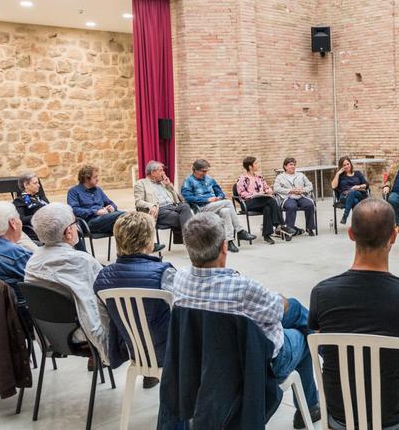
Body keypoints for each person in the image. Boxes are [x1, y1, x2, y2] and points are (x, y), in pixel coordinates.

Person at [163, 213, 321, 429]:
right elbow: (276, 311)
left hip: (204, 359)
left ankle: (315, 394)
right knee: (300, 326)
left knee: (294, 311)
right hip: (255, 364)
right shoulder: (243, 290)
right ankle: (311, 405)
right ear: (224, 247)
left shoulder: (179, 279)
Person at [309, 199, 399, 430]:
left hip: (339, 420)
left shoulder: (322, 294)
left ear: (351, 234)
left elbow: (325, 349)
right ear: (394, 235)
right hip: (392, 420)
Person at [94, 211, 176, 389]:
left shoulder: (102, 277)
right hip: (170, 352)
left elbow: (106, 323)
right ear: (148, 242)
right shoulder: (164, 273)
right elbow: (182, 312)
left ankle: (149, 374)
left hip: (132, 351)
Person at [25, 203, 111, 365]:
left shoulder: (33, 261)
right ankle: (147, 367)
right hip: (80, 334)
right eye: (74, 223)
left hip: (49, 333)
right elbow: (106, 292)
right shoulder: (80, 261)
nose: (77, 226)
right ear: (68, 232)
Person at [181, 159, 255, 252]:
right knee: (228, 202)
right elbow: (188, 197)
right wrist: (206, 199)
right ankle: (240, 231)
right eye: (203, 171)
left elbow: (220, 192)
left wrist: (218, 198)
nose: (205, 173)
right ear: (195, 170)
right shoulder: (188, 181)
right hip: (201, 207)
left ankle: (229, 241)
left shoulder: (209, 179)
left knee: (226, 211)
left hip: (215, 205)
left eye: (207, 171)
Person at [237, 156, 292, 245]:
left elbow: (266, 187)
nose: (257, 165)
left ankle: (267, 236)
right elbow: (241, 193)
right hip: (248, 203)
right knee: (270, 200)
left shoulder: (259, 177)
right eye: (256, 163)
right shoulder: (242, 178)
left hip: (261, 201)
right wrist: (253, 195)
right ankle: (281, 225)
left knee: (268, 208)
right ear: (250, 166)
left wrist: (268, 191)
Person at [134, 160, 193, 239]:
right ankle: (190, 239)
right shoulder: (141, 183)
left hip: (172, 207)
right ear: (153, 173)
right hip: (159, 210)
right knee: (184, 217)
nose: (164, 173)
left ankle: (187, 238)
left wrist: (169, 186)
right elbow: (138, 202)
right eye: (161, 170)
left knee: (185, 206)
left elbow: (177, 200)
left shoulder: (163, 183)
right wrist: (152, 205)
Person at [67, 165, 126, 235]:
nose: (98, 179)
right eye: (95, 177)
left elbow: (110, 202)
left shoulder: (98, 190)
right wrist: (96, 212)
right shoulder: (74, 191)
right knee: (124, 215)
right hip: (90, 222)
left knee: (128, 220)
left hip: (105, 219)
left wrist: (111, 207)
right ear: (86, 179)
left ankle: (130, 244)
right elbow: (74, 210)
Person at [274, 158, 317, 236]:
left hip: (300, 196)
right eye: (291, 164)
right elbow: (276, 188)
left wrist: (303, 190)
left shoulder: (300, 175)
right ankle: (289, 230)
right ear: (285, 166)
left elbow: (310, 185)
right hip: (288, 197)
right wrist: (290, 191)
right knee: (291, 206)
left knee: (309, 205)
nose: (293, 166)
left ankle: (309, 228)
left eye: (294, 165)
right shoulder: (280, 177)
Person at [331, 156, 370, 226]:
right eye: (344, 165)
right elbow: (333, 186)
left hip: (358, 193)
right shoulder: (340, 176)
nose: (346, 166)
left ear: (350, 164)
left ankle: (345, 216)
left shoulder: (358, 173)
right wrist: (337, 173)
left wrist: (359, 186)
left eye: (348, 164)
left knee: (353, 192)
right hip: (344, 196)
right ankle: (356, 224)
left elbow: (366, 184)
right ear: (341, 167)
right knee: (355, 201)